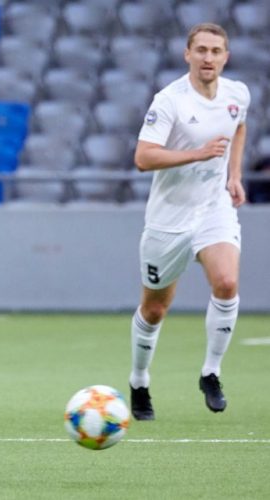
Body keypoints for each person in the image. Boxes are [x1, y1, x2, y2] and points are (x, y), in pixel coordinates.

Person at [128, 23, 250, 420]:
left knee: (226, 283)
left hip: (213, 208)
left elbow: (239, 126)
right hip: (170, 218)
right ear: (187, 55)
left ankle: (211, 373)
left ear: (225, 57)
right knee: (154, 309)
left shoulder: (237, 94)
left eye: (215, 51)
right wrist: (197, 154)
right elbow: (143, 157)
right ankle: (139, 380)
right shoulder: (170, 101)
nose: (208, 58)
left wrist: (234, 175)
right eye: (201, 50)